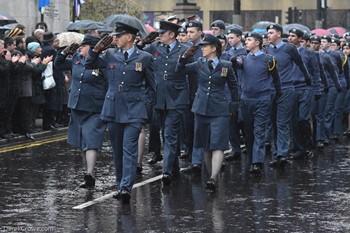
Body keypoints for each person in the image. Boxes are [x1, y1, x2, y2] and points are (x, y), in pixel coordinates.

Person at [85, 22, 156, 204]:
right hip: (113, 108)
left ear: (130, 37)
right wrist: (96, 50)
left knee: (129, 149)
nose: (114, 38)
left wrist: (144, 105)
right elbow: (89, 64)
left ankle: (126, 187)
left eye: (119, 35)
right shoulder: (109, 54)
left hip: (134, 110)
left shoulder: (145, 57)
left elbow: (152, 86)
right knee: (117, 151)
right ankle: (119, 184)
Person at [176, 34, 238, 191]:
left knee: (218, 144)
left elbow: (233, 86)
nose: (202, 49)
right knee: (204, 145)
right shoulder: (199, 63)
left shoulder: (226, 65)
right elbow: (180, 71)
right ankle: (211, 175)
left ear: (213, 48)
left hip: (219, 109)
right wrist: (183, 57)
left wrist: (234, 106)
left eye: (205, 46)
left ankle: (213, 178)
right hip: (201, 108)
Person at [55, 35, 108, 189]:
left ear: (92, 48)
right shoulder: (77, 59)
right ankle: (88, 172)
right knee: (82, 142)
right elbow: (58, 65)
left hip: (95, 107)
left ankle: (90, 174)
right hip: (77, 105)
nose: (80, 48)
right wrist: (64, 52)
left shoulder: (101, 61)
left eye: (83, 46)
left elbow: (109, 81)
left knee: (91, 140)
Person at [143, 20, 189, 185]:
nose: (159, 35)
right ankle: (173, 166)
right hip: (159, 97)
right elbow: (139, 53)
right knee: (165, 133)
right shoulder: (155, 47)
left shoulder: (184, 49)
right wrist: (143, 42)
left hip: (176, 97)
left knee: (170, 134)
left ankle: (167, 172)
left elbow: (193, 71)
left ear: (172, 34)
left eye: (162, 33)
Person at [232, 32, 281, 174]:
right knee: (248, 131)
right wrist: (233, 60)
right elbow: (237, 64)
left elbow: (276, 78)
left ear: (258, 42)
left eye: (249, 40)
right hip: (246, 100)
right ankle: (251, 156)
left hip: (262, 99)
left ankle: (257, 162)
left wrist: (278, 94)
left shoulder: (268, 59)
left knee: (259, 130)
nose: (245, 42)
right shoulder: (244, 58)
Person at [266, 24, 311, 168]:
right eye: (268, 33)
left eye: (271, 33)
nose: (268, 35)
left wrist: (307, 79)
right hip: (270, 91)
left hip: (286, 89)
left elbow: (300, 64)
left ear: (279, 34)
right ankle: (276, 153)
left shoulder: (289, 48)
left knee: (282, 122)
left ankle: (282, 154)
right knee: (273, 123)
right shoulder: (266, 50)